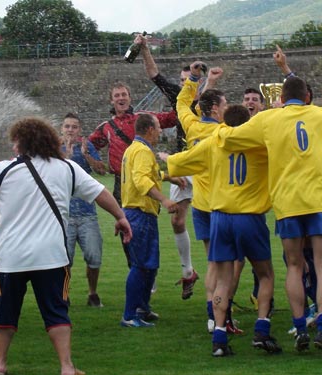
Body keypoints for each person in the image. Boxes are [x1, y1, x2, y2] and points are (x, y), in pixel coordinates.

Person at [214, 76, 322, 358]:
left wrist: (217, 128)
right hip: (318, 200)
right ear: (307, 96)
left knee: (294, 266)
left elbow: (230, 137)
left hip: (287, 202)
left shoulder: (269, 119)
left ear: (282, 99)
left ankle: (300, 328)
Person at [0, 116, 132, 375]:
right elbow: (100, 193)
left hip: (11, 258)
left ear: (22, 143)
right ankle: (66, 367)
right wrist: (120, 217)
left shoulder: (2, 171)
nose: (12, 147)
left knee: (5, 313)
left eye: (15, 142)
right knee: (57, 313)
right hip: (51, 257)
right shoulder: (66, 168)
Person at [167, 104, 281, 356]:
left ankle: (219, 336)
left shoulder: (212, 142)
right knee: (265, 274)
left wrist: (165, 158)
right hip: (250, 217)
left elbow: (178, 164)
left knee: (223, 278)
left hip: (220, 218)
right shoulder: (260, 146)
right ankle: (262, 329)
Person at [135, 34, 199, 299]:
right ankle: (188, 272)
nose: (184, 84)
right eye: (182, 81)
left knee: (219, 220)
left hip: (208, 163)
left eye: (189, 80)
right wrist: (144, 49)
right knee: (177, 220)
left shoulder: (209, 100)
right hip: (184, 162)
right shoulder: (178, 97)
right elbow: (153, 73)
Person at [175, 62, 227, 333]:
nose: (227, 108)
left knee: (211, 262)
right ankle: (221, 315)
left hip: (199, 203)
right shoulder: (224, 133)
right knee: (225, 265)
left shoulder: (192, 126)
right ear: (216, 109)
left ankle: (211, 315)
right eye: (225, 104)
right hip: (220, 205)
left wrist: (195, 77)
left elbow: (183, 101)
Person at [120, 113, 183, 327]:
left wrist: (169, 177)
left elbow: (148, 173)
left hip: (138, 213)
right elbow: (141, 180)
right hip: (139, 214)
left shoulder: (133, 149)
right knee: (141, 265)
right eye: (157, 128)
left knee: (150, 265)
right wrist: (165, 199)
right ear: (149, 129)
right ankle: (129, 315)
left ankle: (142, 308)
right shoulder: (143, 151)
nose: (160, 131)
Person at [61, 113, 107, 307]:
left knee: (94, 257)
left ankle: (92, 293)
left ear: (79, 130)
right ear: (62, 129)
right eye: (67, 126)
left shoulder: (87, 147)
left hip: (88, 213)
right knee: (64, 260)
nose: (70, 130)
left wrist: (87, 155)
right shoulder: (54, 149)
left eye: (74, 127)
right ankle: (64, 294)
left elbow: (102, 170)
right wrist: (66, 157)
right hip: (64, 214)